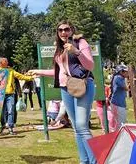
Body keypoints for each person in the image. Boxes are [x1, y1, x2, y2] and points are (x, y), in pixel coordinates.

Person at [29, 21, 96, 164]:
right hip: (66, 88)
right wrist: (38, 72)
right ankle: (84, 161)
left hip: (83, 85)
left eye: (66, 29)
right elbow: (60, 72)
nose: (63, 32)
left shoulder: (80, 43)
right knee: (76, 127)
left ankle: (95, 161)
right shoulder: (59, 49)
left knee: (82, 125)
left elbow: (90, 65)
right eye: (60, 30)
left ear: (72, 30)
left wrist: (76, 52)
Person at [0, 57, 33, 135]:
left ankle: (11, 127)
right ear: (1, 62)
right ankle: (2, 125)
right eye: (6, 61)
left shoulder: (11, 71)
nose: (7, 62)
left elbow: (20, 76)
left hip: (10, 94)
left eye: (7, 61)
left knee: (11, 110)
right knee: (2, 112)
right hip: (0, 95)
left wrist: (30, 78)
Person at [110, 65, 128, 131]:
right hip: (117, 104)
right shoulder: (118, 78)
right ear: (121, 72)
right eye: (126, 72)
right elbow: (126, 88)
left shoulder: (121, 78)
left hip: (120, 103)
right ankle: (117, 137)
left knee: (122, 121)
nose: (128, 73)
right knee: (121, 123)